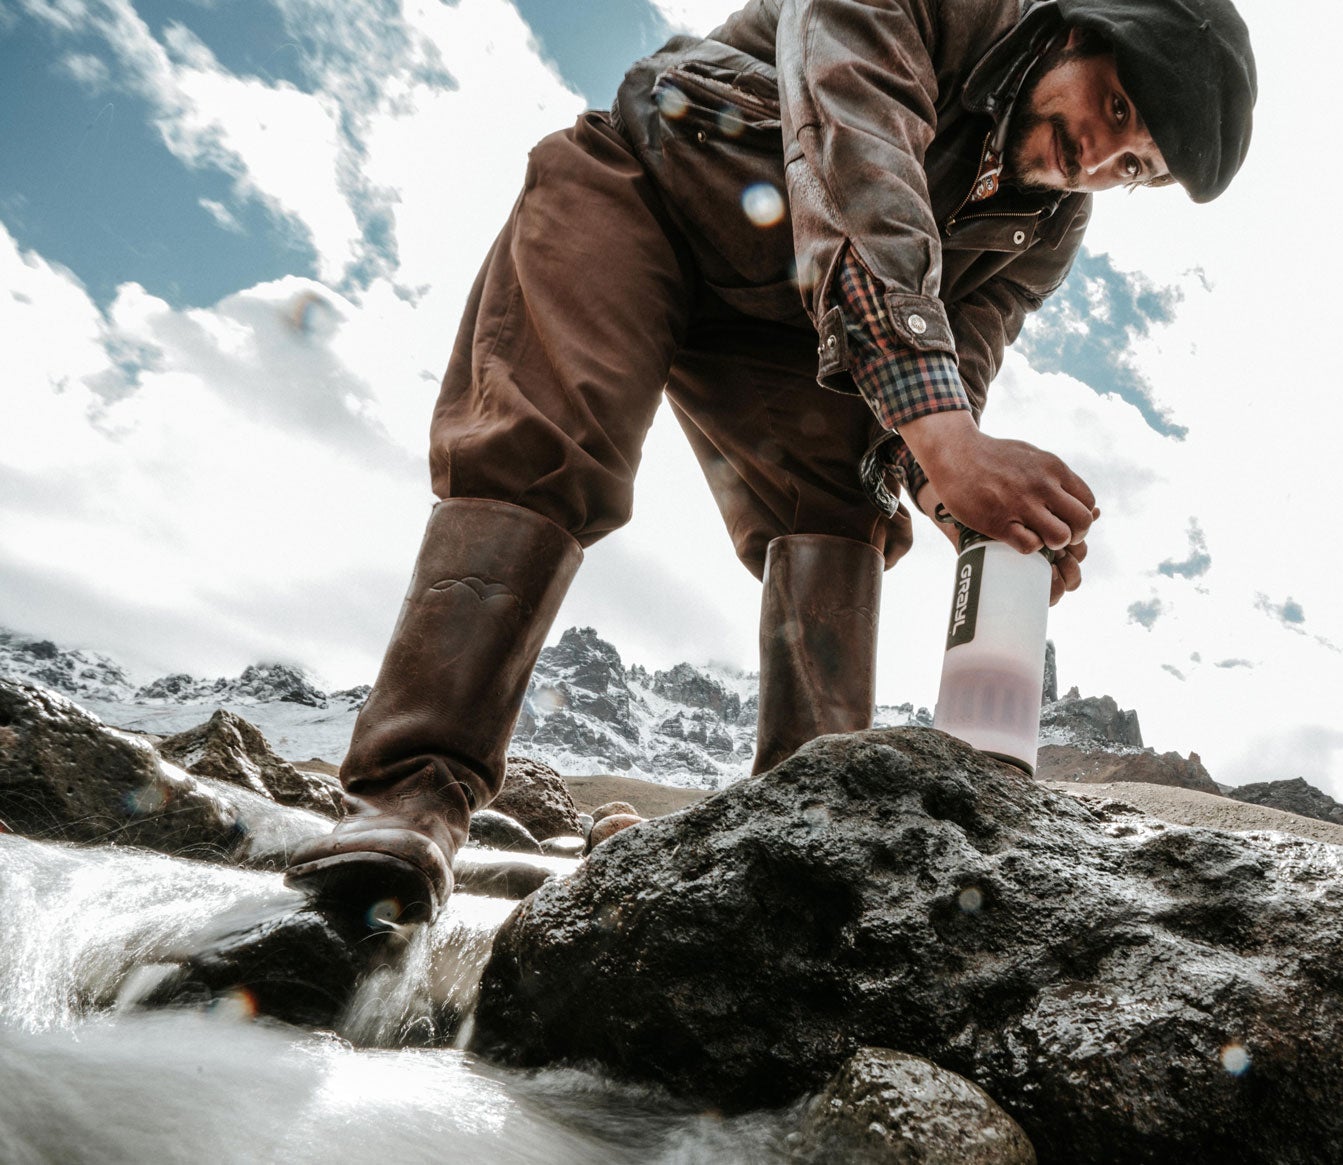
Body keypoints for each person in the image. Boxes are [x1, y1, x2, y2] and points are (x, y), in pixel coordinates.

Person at [285, 0, 1256, 925]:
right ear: (1073, 27)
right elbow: (854, 165)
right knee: (546, 444)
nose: (1099, 160)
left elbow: (960, 364)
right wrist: (948, 441)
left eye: (1135, 167)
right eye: (1115, 109)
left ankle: (796, 855)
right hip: (641, 190)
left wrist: (970, 508)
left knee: (846, 508)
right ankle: (408, 801)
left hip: (791, 328)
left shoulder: (1046, 228)